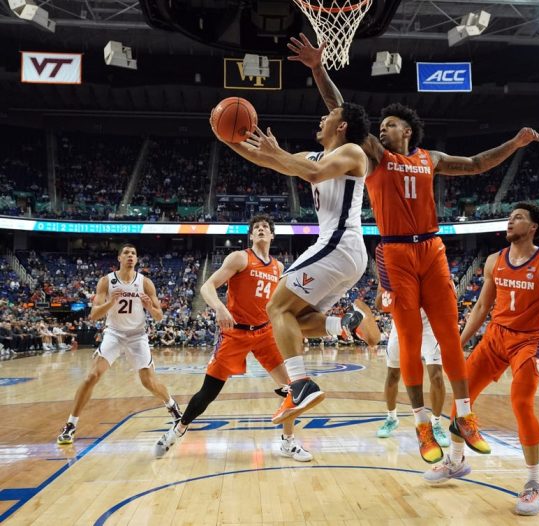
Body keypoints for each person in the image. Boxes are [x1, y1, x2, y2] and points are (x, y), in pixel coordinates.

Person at [289, 33, 539, 463]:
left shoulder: (431, 157)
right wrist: (317, 68)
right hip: (397, 253)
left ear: (407, 130)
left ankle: (464, 416)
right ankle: (422, 424)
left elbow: (478, 163)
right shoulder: (375, 156)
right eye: (380, 125)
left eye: (390, 124)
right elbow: (342, 111)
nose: (382, 127)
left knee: (447, 339)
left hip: (432, 249)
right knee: (407, 341)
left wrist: (513, 145)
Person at [216, 101, 378, 425]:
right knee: (295, 320)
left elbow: (314, 173)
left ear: (343, 126)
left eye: (329, 115)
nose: (322, 117)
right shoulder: (313, 156)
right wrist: (228, 139)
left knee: (275, 308)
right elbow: (268, 161)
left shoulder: (353, 153)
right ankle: (344, 324)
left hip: (338, 244)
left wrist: (279, 154)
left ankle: (300, 385)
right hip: (341, 252)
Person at [424, 203, 539, 517]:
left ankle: (534, 483)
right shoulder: (494, 261)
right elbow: (480, 309)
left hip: (529, 342)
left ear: (533, 227)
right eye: (510, 216)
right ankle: (457, 459)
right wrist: (455, 344)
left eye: (518, 217)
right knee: (462, 396)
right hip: (495, 337)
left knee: (521, 403)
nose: (510, 221)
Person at [154, 216, 311, 461]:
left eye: (265, 228)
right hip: (235, 333)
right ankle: (179, 428)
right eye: (256, 228)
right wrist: (219, 307)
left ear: (272, 236)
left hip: (264, 332)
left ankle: (288, 443)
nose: (261, 230)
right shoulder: (240, 258)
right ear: (251, 236)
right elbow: (207, 286)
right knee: (208, 392)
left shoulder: (279, 267)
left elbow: (280, 304)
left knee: (293, 387)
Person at [56, 244, 181, 445]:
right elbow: (94, 315)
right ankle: (70, 425)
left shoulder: (145, 283)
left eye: (133, 253)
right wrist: (110, 303)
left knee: (148, 381)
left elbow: (159, 317)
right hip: (113, 334)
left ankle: (172, 405)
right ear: (119, 258)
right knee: (91, 376)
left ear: (137, 259)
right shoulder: (106, 281)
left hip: (137, 335)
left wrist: (150, 307)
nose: (130, 256)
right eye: (126, 253)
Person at [375, 288, 449, 446]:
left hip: (428, 325)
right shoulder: (390, 269)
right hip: (401, 323)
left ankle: (436, 423)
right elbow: (378, 304)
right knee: (393, 376)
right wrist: (386, 295)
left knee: (436, 376)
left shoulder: (429, 265)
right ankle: (391, 418)